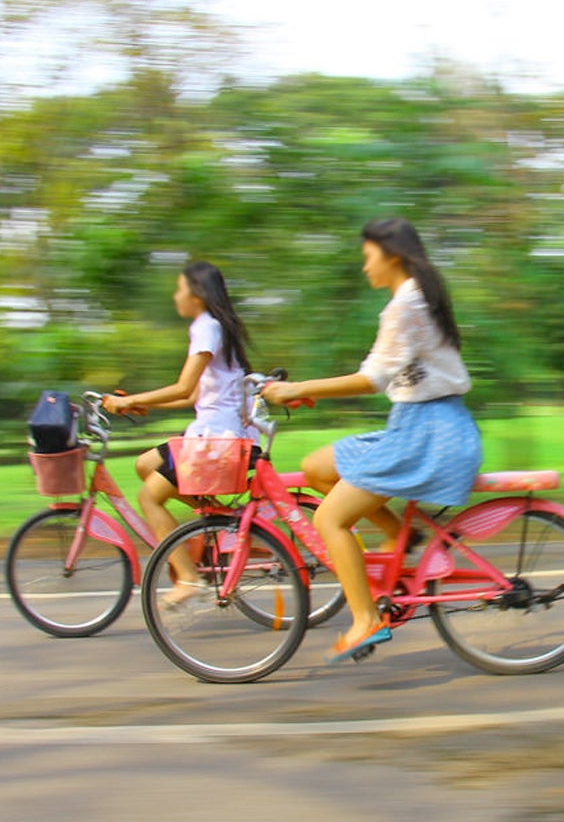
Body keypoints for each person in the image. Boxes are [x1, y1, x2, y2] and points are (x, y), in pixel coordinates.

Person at [263, 217, 482, 664]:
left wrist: (299, 388)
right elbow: (381, 371)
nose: (365, 268)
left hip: (429, 434)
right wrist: (305, 391)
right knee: (316, 467)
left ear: (391, 253)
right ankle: (403, 535)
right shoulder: (412, 300)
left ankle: (366, 620)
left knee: (328, 521)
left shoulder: (408, 304)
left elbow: (372, 379)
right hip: (417, 425)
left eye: (367, 257)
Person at [103, 260, 258, 604]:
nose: (176, 296)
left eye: (180, 289)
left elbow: (183, 385)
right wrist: (139, 405)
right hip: (218, 434)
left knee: (148, 497)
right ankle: (218, 521)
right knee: (145, 465)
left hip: (217, 440)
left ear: (197, 295)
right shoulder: (216, 326)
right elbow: (194, 395)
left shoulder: (206, 327)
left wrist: (131, 400)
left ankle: (188, 578)